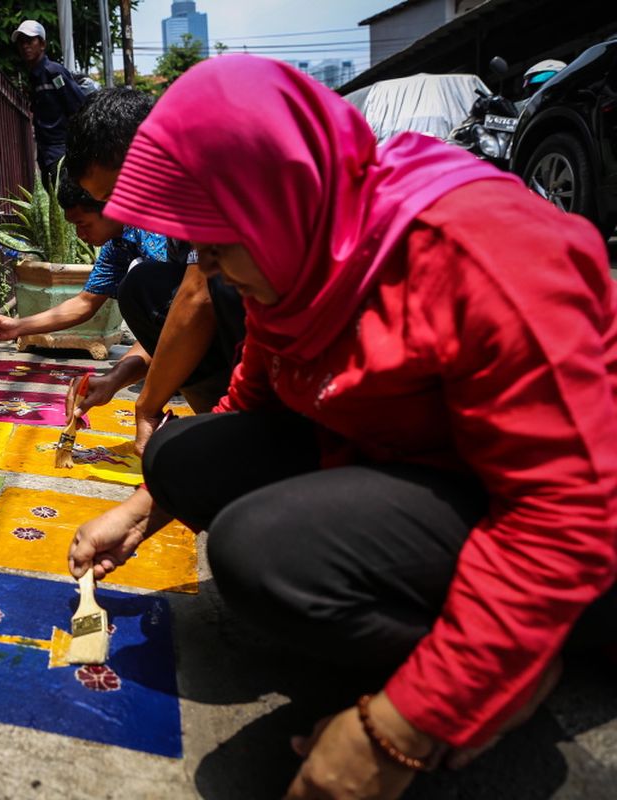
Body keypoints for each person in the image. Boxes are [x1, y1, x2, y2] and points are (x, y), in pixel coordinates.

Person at [68, 55, 617, 800]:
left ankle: (509, 666)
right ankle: (470, 650)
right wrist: (142, 511)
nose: (210, 272)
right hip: (427, 469)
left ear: (274, 190)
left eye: (216, 247)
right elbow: (249, 403)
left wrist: (397, 730)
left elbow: (565, 516)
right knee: (179, 458)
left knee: (263, 552)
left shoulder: (479, 250)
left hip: (571, 539)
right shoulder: (295, 255)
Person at [62, 87, 245, 428]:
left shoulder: (209, 178)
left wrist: (147, 406)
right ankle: (225, 424)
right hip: (263, 364)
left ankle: (240, 428)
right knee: (144, 285)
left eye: (117, 193)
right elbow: (176, 323)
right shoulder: (160, 226)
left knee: (214, 285)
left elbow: (197, 298)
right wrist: (116, 380)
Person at [0, 178, 168, 361]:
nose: (79, 235)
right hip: (170, 333)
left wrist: (123, 371)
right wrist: (17, 326)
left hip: (188, 327)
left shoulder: (154, 231)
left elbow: (176, 311)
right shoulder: (116, 245)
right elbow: (85, 303)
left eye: (83, 224)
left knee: (135, 281)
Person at [12, 19, 86, 186]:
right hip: (46, 150)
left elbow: (77, 106)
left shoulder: (53, 73)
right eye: (21, 42)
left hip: (61, 148)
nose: (25, 46)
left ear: (42, 44)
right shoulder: (33, 77)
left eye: (30, 41)